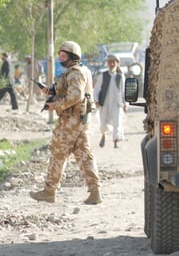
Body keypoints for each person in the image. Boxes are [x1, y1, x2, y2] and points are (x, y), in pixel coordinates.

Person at [30, 41, 102, 205]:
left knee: (58, 154)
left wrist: (56, 105)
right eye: (60, 55)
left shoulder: (75, 73)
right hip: (79, 121)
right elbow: (69, 91)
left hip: (71, 122)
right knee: (84, 156)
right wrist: (51, 91)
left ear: (72, 56)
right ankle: (95, 192)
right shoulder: (78, 71)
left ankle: (49, 191)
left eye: (63, 55)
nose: (60, 58)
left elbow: (76, 96)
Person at [93, 54, 126, 149]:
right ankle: (103, 135)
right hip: (105, 102)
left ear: (117, 63)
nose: (111, 64)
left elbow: (123, 91)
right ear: (107, 63)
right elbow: (97, 89)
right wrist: (96, 100)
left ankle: (116, 141)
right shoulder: (103, 75)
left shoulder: (120, 77)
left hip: (117, 103)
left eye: (113, 62)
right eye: (109, 62)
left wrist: (125, 104)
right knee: (103, 122)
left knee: (117, 122)